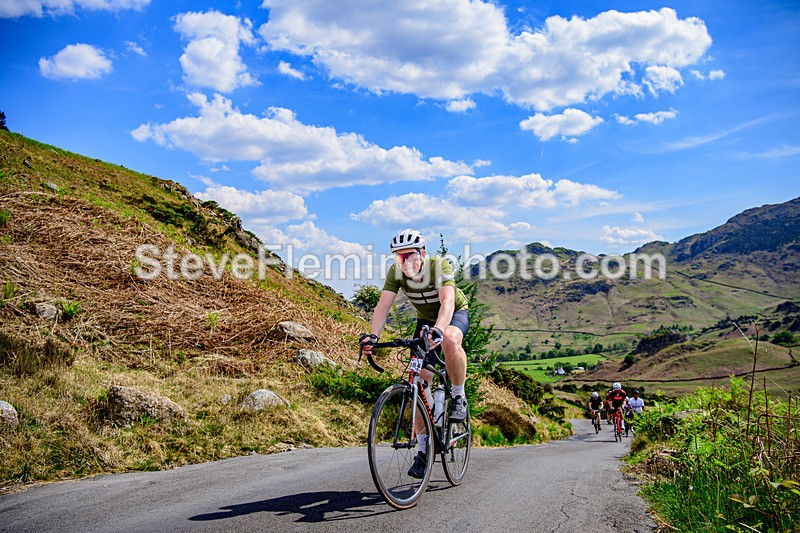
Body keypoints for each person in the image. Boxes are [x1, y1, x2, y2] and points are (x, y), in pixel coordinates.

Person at [360, 229, 470, 479]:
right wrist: (374, 336)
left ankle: (458, 395)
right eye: (399, 257)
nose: (404, 262)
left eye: (409, 255)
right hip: (425, 321)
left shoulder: (437, 266)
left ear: (421, 253)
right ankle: (423, 451)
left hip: (453, 314)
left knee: (450, 340)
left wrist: (439, 331)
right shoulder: (396, 272)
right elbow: (382, 306)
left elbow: (447, 303)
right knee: (417, 382)